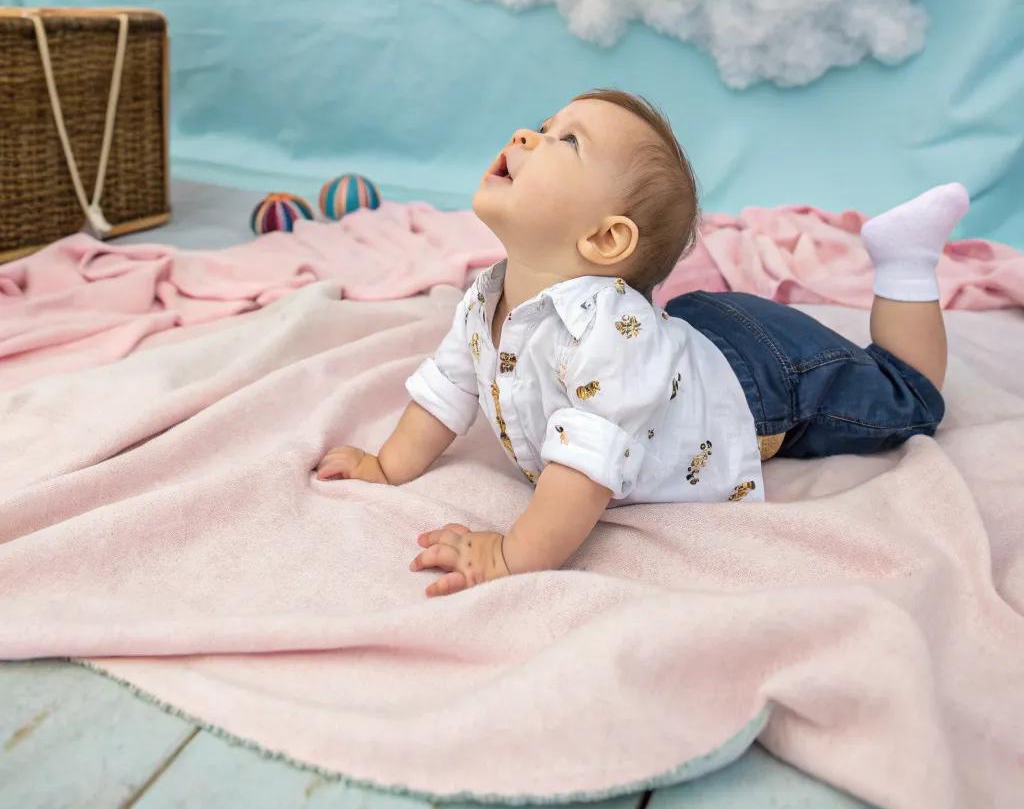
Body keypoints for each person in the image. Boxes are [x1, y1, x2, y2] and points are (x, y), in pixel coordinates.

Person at [316, 89, 967, 597]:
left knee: (907, 395)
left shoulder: (606, 336)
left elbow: (583, 472)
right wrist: (386, 467)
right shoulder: (487, 296)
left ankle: (904, 261)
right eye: (544, 126)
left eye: (566, 141)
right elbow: (447, 387)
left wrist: (508, 556)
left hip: (760, 381)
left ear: (605, 239)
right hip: (692, 337)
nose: (526, 135)